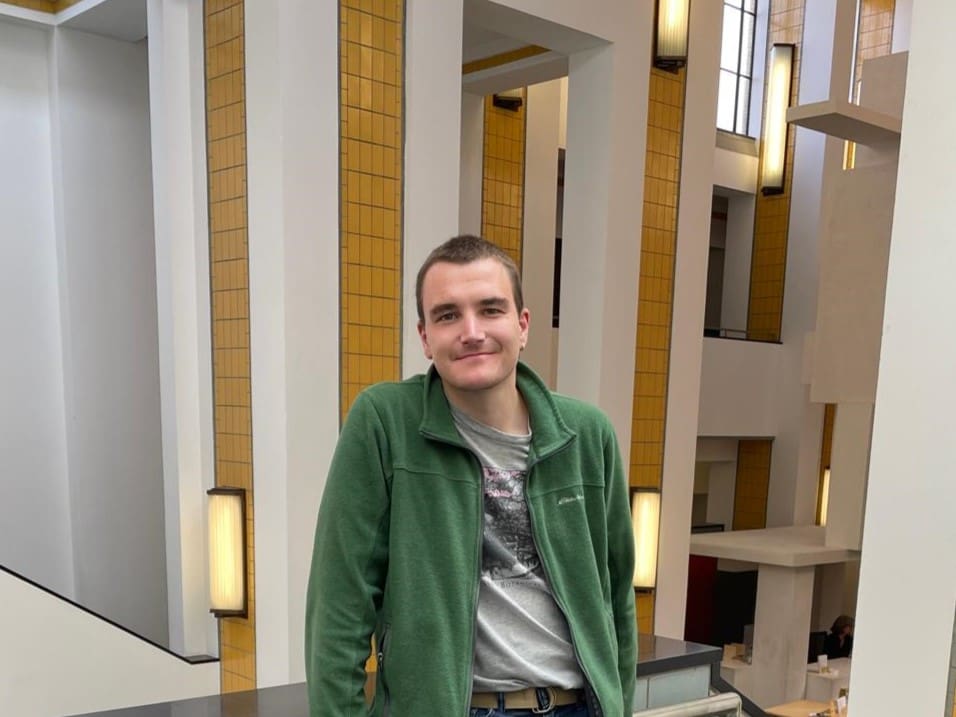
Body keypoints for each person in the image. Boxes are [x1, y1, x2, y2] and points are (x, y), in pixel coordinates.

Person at [305, 235, 637, 716]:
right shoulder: (384, 422)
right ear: (424, 337)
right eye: (447, 315)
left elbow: (617, 599)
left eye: (490, 309)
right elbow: (339, 606)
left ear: (522, 326)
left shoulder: (586, 434)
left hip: (576, 705)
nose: (472, 331)